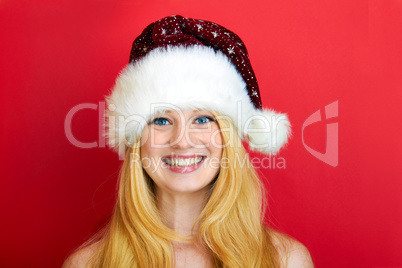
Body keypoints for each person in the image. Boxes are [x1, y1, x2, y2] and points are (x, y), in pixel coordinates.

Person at [63, 15, 314, 267]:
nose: (182, 142)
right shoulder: (87, 264)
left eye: (202, 119)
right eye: (161, 120)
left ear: (228, 137)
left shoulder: (286, 260)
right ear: (136, 141)